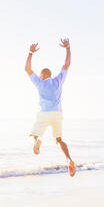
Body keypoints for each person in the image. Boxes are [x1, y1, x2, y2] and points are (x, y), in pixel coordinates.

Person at [25, 38, 76, 177]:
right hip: (57, 113)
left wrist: (31, 52)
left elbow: (27, 69)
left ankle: (37, 140)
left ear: (42, 76)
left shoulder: (39, 83)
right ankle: (68, 159)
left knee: (32, 136)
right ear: (50, 75)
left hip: (44, 114)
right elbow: (67, 64)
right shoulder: (58, 80)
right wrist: (67, 48)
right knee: (59, 140)